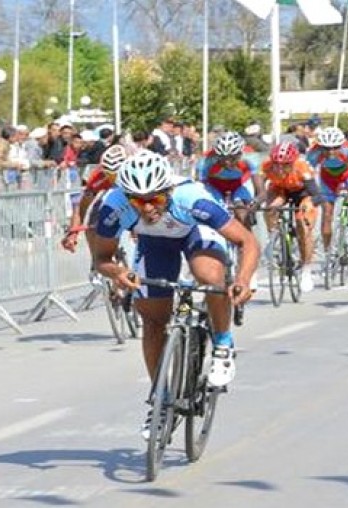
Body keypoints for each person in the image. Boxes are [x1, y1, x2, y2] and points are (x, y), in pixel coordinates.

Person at [93, 151, 259, 438]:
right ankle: (160, 400)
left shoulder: (194, 198)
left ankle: (222, 344)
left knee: (209, 277)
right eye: (137, 201)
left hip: (195, 233)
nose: (146, 209)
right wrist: (118, 273)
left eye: (155, 200)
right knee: (154, 322)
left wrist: (243, 280)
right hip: (154, 243)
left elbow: (247, 240)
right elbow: (102, 257)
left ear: (168, 190)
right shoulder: (114, 205)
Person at [257, 141, 323, 292]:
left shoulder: (302, 167)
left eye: (285, 165)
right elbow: (261, 193)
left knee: (302, 223)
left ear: (292, 163)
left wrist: (309, 204)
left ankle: (306, 271)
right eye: (276, 164)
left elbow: (317, 196)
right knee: (271, 207)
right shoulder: (266, 166)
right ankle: (274, 236)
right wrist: (255, 203)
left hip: (303, 193)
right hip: (280, 190)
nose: (280, 169)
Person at [305, 126, 348, 254]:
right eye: (326, 148)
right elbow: (306, 174)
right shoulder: (314, 153)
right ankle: (327, 252)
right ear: (320, 146)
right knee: (327, 213)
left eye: (335, 147)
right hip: (328, 179)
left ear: (341, 145)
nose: (331, 152)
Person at [62, 144, 129, 259]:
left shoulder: (137, 171)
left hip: (133, 200)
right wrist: (73, 232)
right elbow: (81, 207)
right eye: (109, 175)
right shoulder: (98, 177)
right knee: (93, 218)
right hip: (111, 200)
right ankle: (97, 262)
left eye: (116, 175)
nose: (113, 179)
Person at [196, 131, 264, 228]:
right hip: (214, 186)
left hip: (238, 185)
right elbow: (199, 187)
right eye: (223, 158)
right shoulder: (206, 160)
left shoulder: (250, 157)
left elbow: (261, 192)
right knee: (214, 211)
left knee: (242, 212)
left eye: (232, 158)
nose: (227, 162)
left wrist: (255, 202)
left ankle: (247, 239)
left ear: (240, 153)